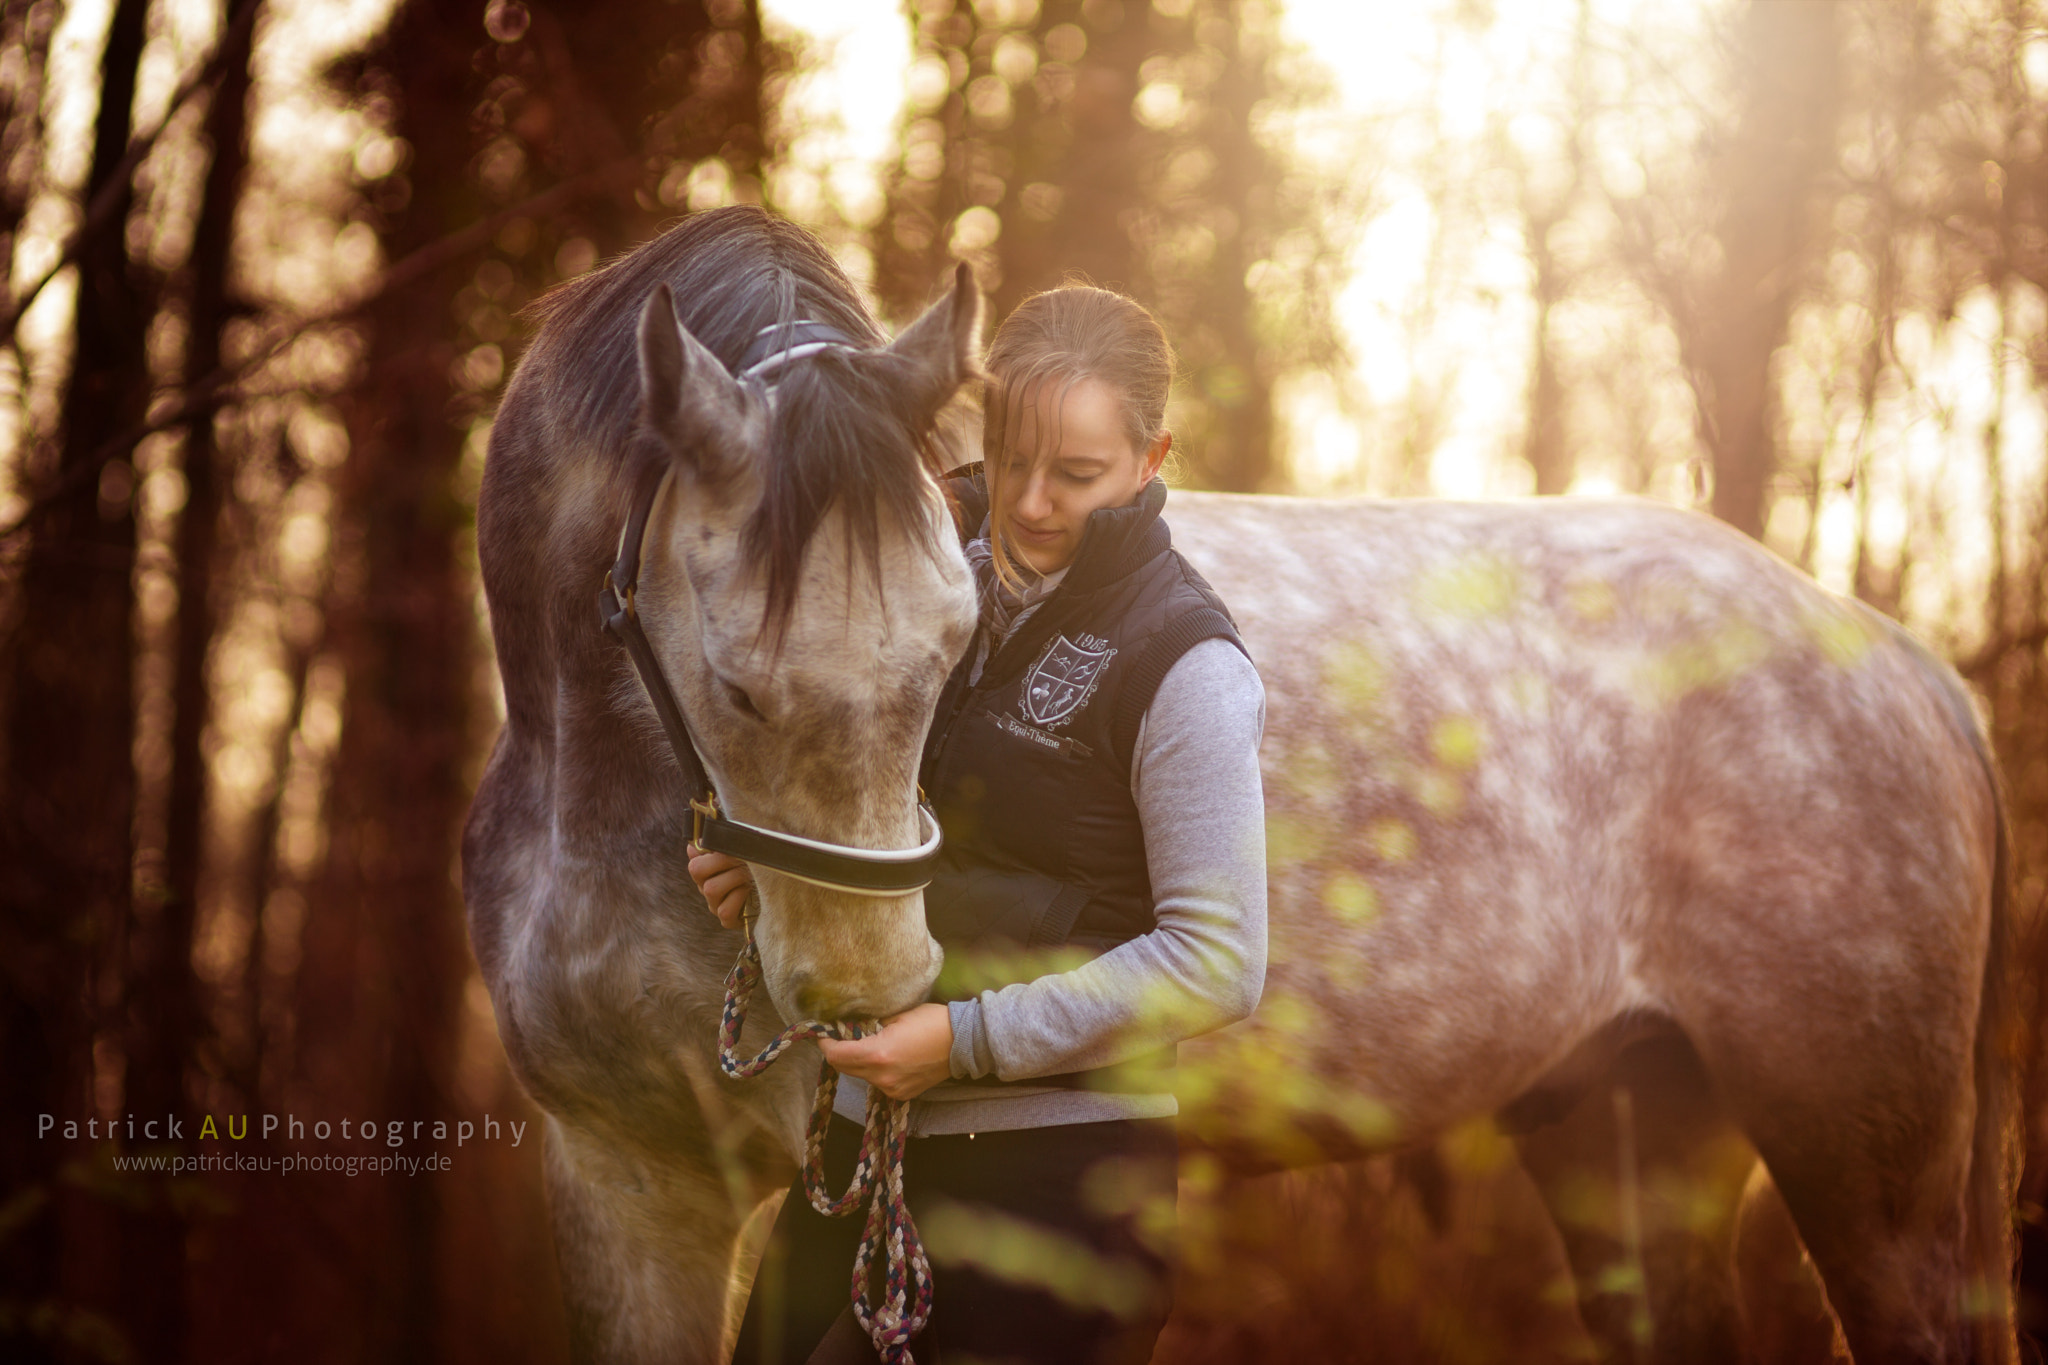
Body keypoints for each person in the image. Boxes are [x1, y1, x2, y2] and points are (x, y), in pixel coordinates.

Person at [700, 284, 1268, 1365]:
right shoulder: (932, 594)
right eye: (1010, 461)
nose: (1030, 501)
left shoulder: (1186, 664)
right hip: (861, 1149)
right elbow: (895, 837)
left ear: (1152, 459)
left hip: (1055, 1198)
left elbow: (1218, 961)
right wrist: (763, 869)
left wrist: (963, 1045)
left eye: (1076, 473)